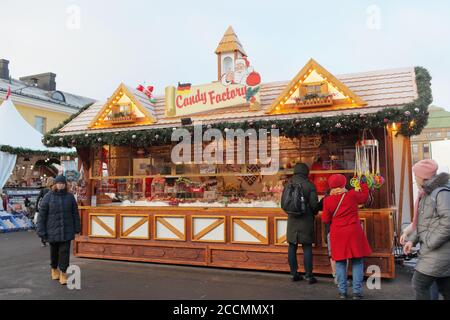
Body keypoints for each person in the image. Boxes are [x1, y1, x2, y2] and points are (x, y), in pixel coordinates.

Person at [402, 159, 450, 300]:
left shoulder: (440, 193)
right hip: (435, 252)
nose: (414, 179)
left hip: (437, 252)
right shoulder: (427, 192)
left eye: (415, 175)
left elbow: (448, 221)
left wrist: (430, 242)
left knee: (419, 284)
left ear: (422, 177)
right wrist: (412, 240)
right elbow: (423, 223)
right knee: (445, 289)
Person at [322, 174, 372, 299]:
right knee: (357, 261)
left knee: (340, 262)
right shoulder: (351, 195)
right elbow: (365, 197)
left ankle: (342, 291)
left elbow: (325, 219)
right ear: (344, 184)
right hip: (353, 231)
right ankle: (357, 292)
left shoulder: (327, 200)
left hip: (337, 233)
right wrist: (364, 184)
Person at [36, 175, 81, 285]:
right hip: (52, 230)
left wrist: (77, 227)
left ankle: (63, 274)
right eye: (59, 183)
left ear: (65, 184)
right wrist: (41, 230)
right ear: (55, 184)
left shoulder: (70, 197)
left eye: (62, 183)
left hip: (67, 230)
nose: (61, 185)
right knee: (54, 252)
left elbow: (75, 213)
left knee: (64, 252)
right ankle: (54, 269)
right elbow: (42, 215)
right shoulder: (48, 197)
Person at [286, 163, 319, 284]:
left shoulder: (288, 184)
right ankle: (309, 276)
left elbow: (283, 204)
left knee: (292, 246)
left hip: (292, 220)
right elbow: (314, 205)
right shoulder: (310, 185)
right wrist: (314, 212)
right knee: (307, 247)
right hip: (306, 220)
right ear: (306, 172)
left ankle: (294, 274)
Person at [35, 177, 55, 247]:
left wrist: (37, 209)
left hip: (43, 209)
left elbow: (38, 200)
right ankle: (50, 238)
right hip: (52, 210)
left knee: (43, 224)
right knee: (50, 224)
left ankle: (43, 240)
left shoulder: (43, 190)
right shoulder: (54, 190)